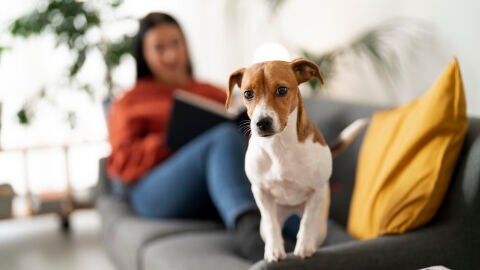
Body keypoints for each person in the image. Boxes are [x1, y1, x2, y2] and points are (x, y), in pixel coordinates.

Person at [106, 12, 265, 261]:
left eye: (175, 43)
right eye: (159, 48)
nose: (170, 55)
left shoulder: (212, 93)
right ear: (144, 56)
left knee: (233, 138)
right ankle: (251, 235)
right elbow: (121, 163)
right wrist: (171, 140)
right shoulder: (130, 101)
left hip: (209, 186)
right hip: (152, 191)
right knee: (221, 137)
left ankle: (316, 234)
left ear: (186, 46)